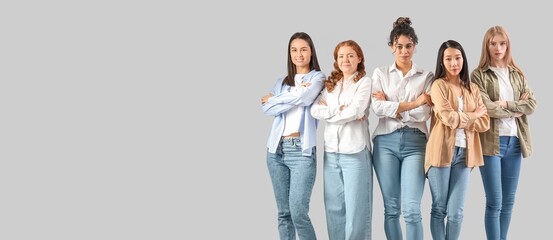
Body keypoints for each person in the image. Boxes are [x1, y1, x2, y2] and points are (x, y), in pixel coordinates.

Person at [370, 17, 433, 240]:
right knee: (391, 209)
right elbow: (377, 108)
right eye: (399, 46)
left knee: (412, 210)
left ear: (415, 45)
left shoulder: (426, 76)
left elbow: (425, 114)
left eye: (408, 46)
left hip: (416, 143)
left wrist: (393, 105)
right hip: (384, 142)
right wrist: (415, 102)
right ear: (391, 47)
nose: (404, 51)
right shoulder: (380, 74)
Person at [471, 26, 537, 240]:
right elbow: (486, 107)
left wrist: (507, 103)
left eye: (502, 43)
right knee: (494, 202)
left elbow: (532, 105)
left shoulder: (517, 74)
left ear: (507, 45)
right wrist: (516, 108)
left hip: (515, 143)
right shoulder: (478, 75)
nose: (498, 48)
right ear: (486, 45)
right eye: (493, 43)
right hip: (491, 143)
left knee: (508, 202)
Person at [261, 32, 325, 240]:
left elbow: (306, 99)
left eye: (303, 49)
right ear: (289, 54)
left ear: (311, 51)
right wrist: (296, 95)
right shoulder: (282, 81)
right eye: (294, 50)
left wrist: (277, 99)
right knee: (284, 214)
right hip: (276, 150)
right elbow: (267, 109)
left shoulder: (318, 77)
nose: (299, 54)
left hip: (302, 151)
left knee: (298, 212)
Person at [425, 40, 490, 240]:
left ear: (463, 59)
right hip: (441, 152)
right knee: (439, 208)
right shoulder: (438, 85)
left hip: (465, 155)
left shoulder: (473, 88)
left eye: (458, 58)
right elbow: (448, 118)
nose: (454, 63)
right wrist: (473, 115)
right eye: (449, 59)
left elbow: (485, 122)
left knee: (456, 212)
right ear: (442, 62)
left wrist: (465, 118)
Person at [311, 39, 372, 240]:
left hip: (355, 152)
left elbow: (356, 110)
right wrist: (339, 111)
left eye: (350, 55)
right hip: (331, 152)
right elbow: (314, 110)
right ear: (336, 60)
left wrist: (332, 113)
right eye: (341, 56)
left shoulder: (365, 82)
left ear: (359, 58)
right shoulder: (331, 84)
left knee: (356, 210)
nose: (345, 59)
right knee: (334, 208)